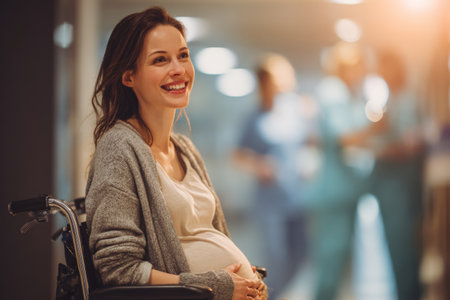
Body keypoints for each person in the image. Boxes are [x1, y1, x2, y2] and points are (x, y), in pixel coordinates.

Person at [85, 6, 266, 300]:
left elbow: (208, 236)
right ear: (129, 76)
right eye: (160, 60)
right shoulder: (119, 147)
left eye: (183, 55)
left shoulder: (185, 149)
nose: (179, 69)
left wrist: (244, 279)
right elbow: (117, 268)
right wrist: (212, 286)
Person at [232, 53, 317, 299]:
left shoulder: (297, 112)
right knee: (276, 257)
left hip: (298, 197)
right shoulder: (254, 117)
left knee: (302, 255)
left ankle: (279, 292)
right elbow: (237, 154)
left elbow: (312, 142)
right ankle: (271, 296)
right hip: (270, 202)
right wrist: (258, 165)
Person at [368, 50, 426, 300]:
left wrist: (380, 149)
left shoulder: (408, 100)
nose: (379, 72)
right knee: (395, 249)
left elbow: (411, 144)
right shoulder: (390, 100)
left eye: (383, 66)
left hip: (400, 188)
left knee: (403, 252)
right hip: (389, 187)